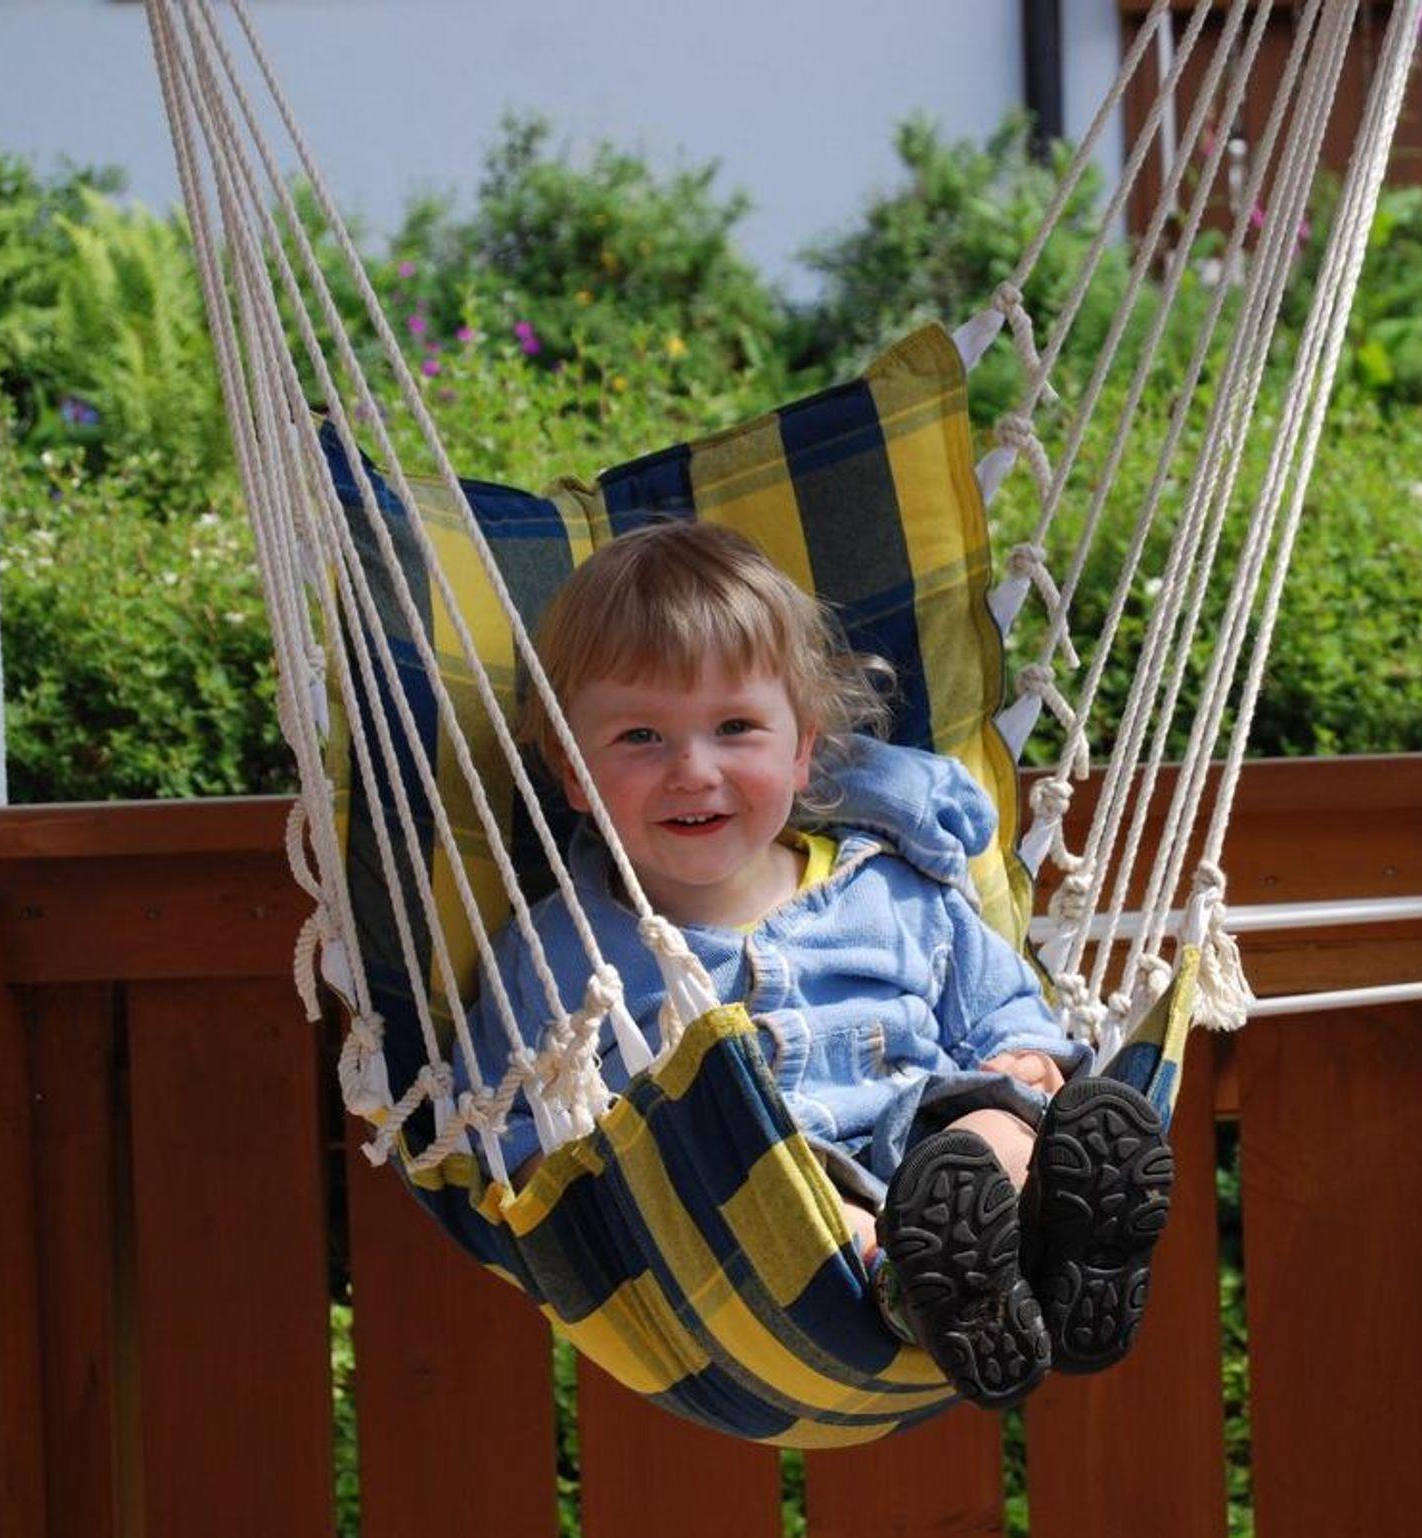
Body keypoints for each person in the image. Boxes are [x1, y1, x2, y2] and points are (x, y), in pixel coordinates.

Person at [462, 520, 1173, 1410]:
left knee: (994, 1129)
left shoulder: (893, 890)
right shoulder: (559, 953)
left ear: (802, 748)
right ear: (572, 771)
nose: (693, 770)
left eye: (735, 727)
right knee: (791, 1211)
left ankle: (1064, 1259)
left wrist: (1026, 1057)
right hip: (765, 1207)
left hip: (929, 1143)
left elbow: (999, 1007)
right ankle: (919, 1288)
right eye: (641, 736)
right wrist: (561, 1181)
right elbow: (505, 1120)